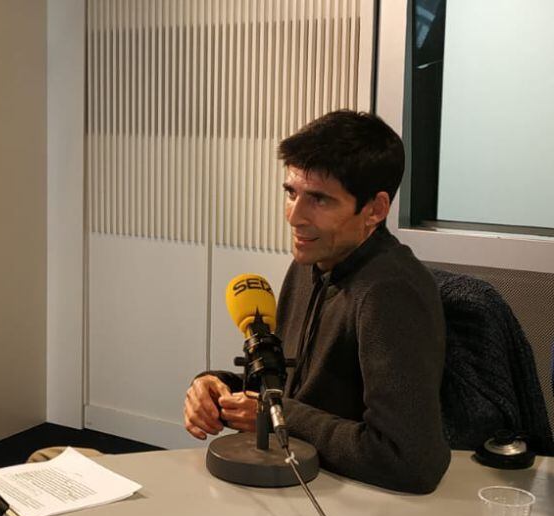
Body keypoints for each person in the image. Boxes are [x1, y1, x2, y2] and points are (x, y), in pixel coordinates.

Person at [183, 110, 451, 494]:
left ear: (375, 209)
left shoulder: (391, 293)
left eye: (320, 200)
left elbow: (409, 460)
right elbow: (291, 388)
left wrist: (280, 416)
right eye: (291, 192)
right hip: (305, 485)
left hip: (364, 514)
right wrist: (216, 387)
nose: (295, 216)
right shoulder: (311, 264)